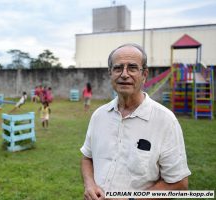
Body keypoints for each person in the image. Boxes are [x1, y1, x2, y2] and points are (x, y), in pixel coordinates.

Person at [80, 43, 191, 200]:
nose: (124, 74)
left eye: (132, 68)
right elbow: (87, 157)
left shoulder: (165, 121)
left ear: (144, 74)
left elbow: (179, 184)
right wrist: (89, 184)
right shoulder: (99, 116)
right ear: (110, 73)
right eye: (118, 68)